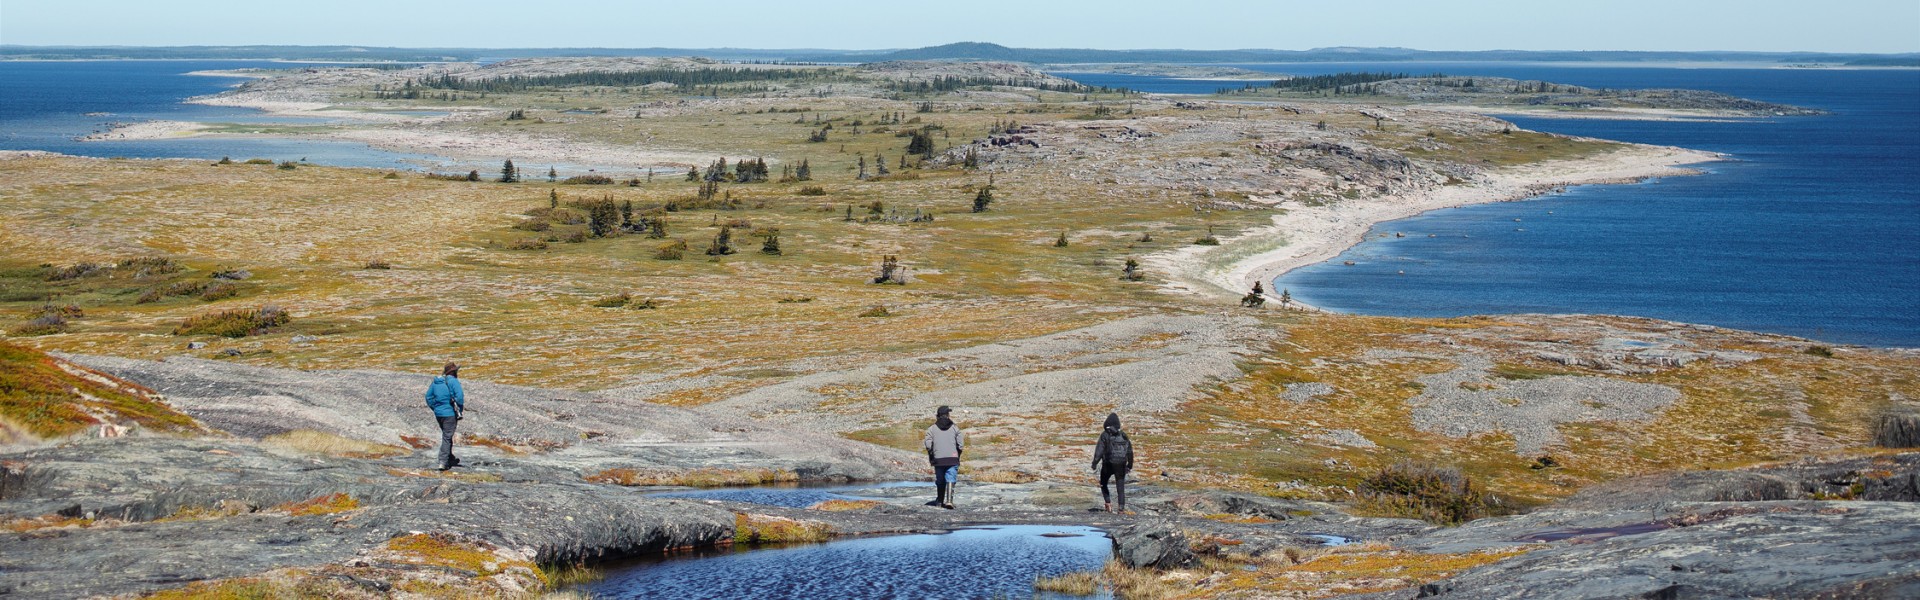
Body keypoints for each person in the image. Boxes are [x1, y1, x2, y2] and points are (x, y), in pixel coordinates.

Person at [424, 362, 466, 471]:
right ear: (453, 372)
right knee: (447, 437)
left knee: (447, 435)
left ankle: (450, 458)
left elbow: (428, 397)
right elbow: (460, 397)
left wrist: (435, 408)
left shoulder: (436, 382)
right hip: (450, 414)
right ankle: (443, 461)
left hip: (439, 414)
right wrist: (459, 409)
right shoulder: (453, 381)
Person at [922, 405, 964, 509]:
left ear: (938, 416)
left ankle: (940, 501)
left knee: (940, 480)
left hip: (938, 460)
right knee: (951, 477)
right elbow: (960, 444)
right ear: (947, 415)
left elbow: (928, 444)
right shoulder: (955, 428)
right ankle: (949, 501)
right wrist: (957, 454)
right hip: (953, 459)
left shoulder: (931, 429)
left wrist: (932, 454)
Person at [1092, 412, 1134, 513]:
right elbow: (1130, 451)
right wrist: (1129, 465)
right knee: (1120, 487)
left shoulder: (1105, 435)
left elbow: (1099, 450)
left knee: (1103, 483)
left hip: (1108, 463)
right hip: (1121, 464)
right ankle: (1121, 509)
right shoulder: (1123, 435)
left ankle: (1108, 504)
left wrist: (1094, 463)